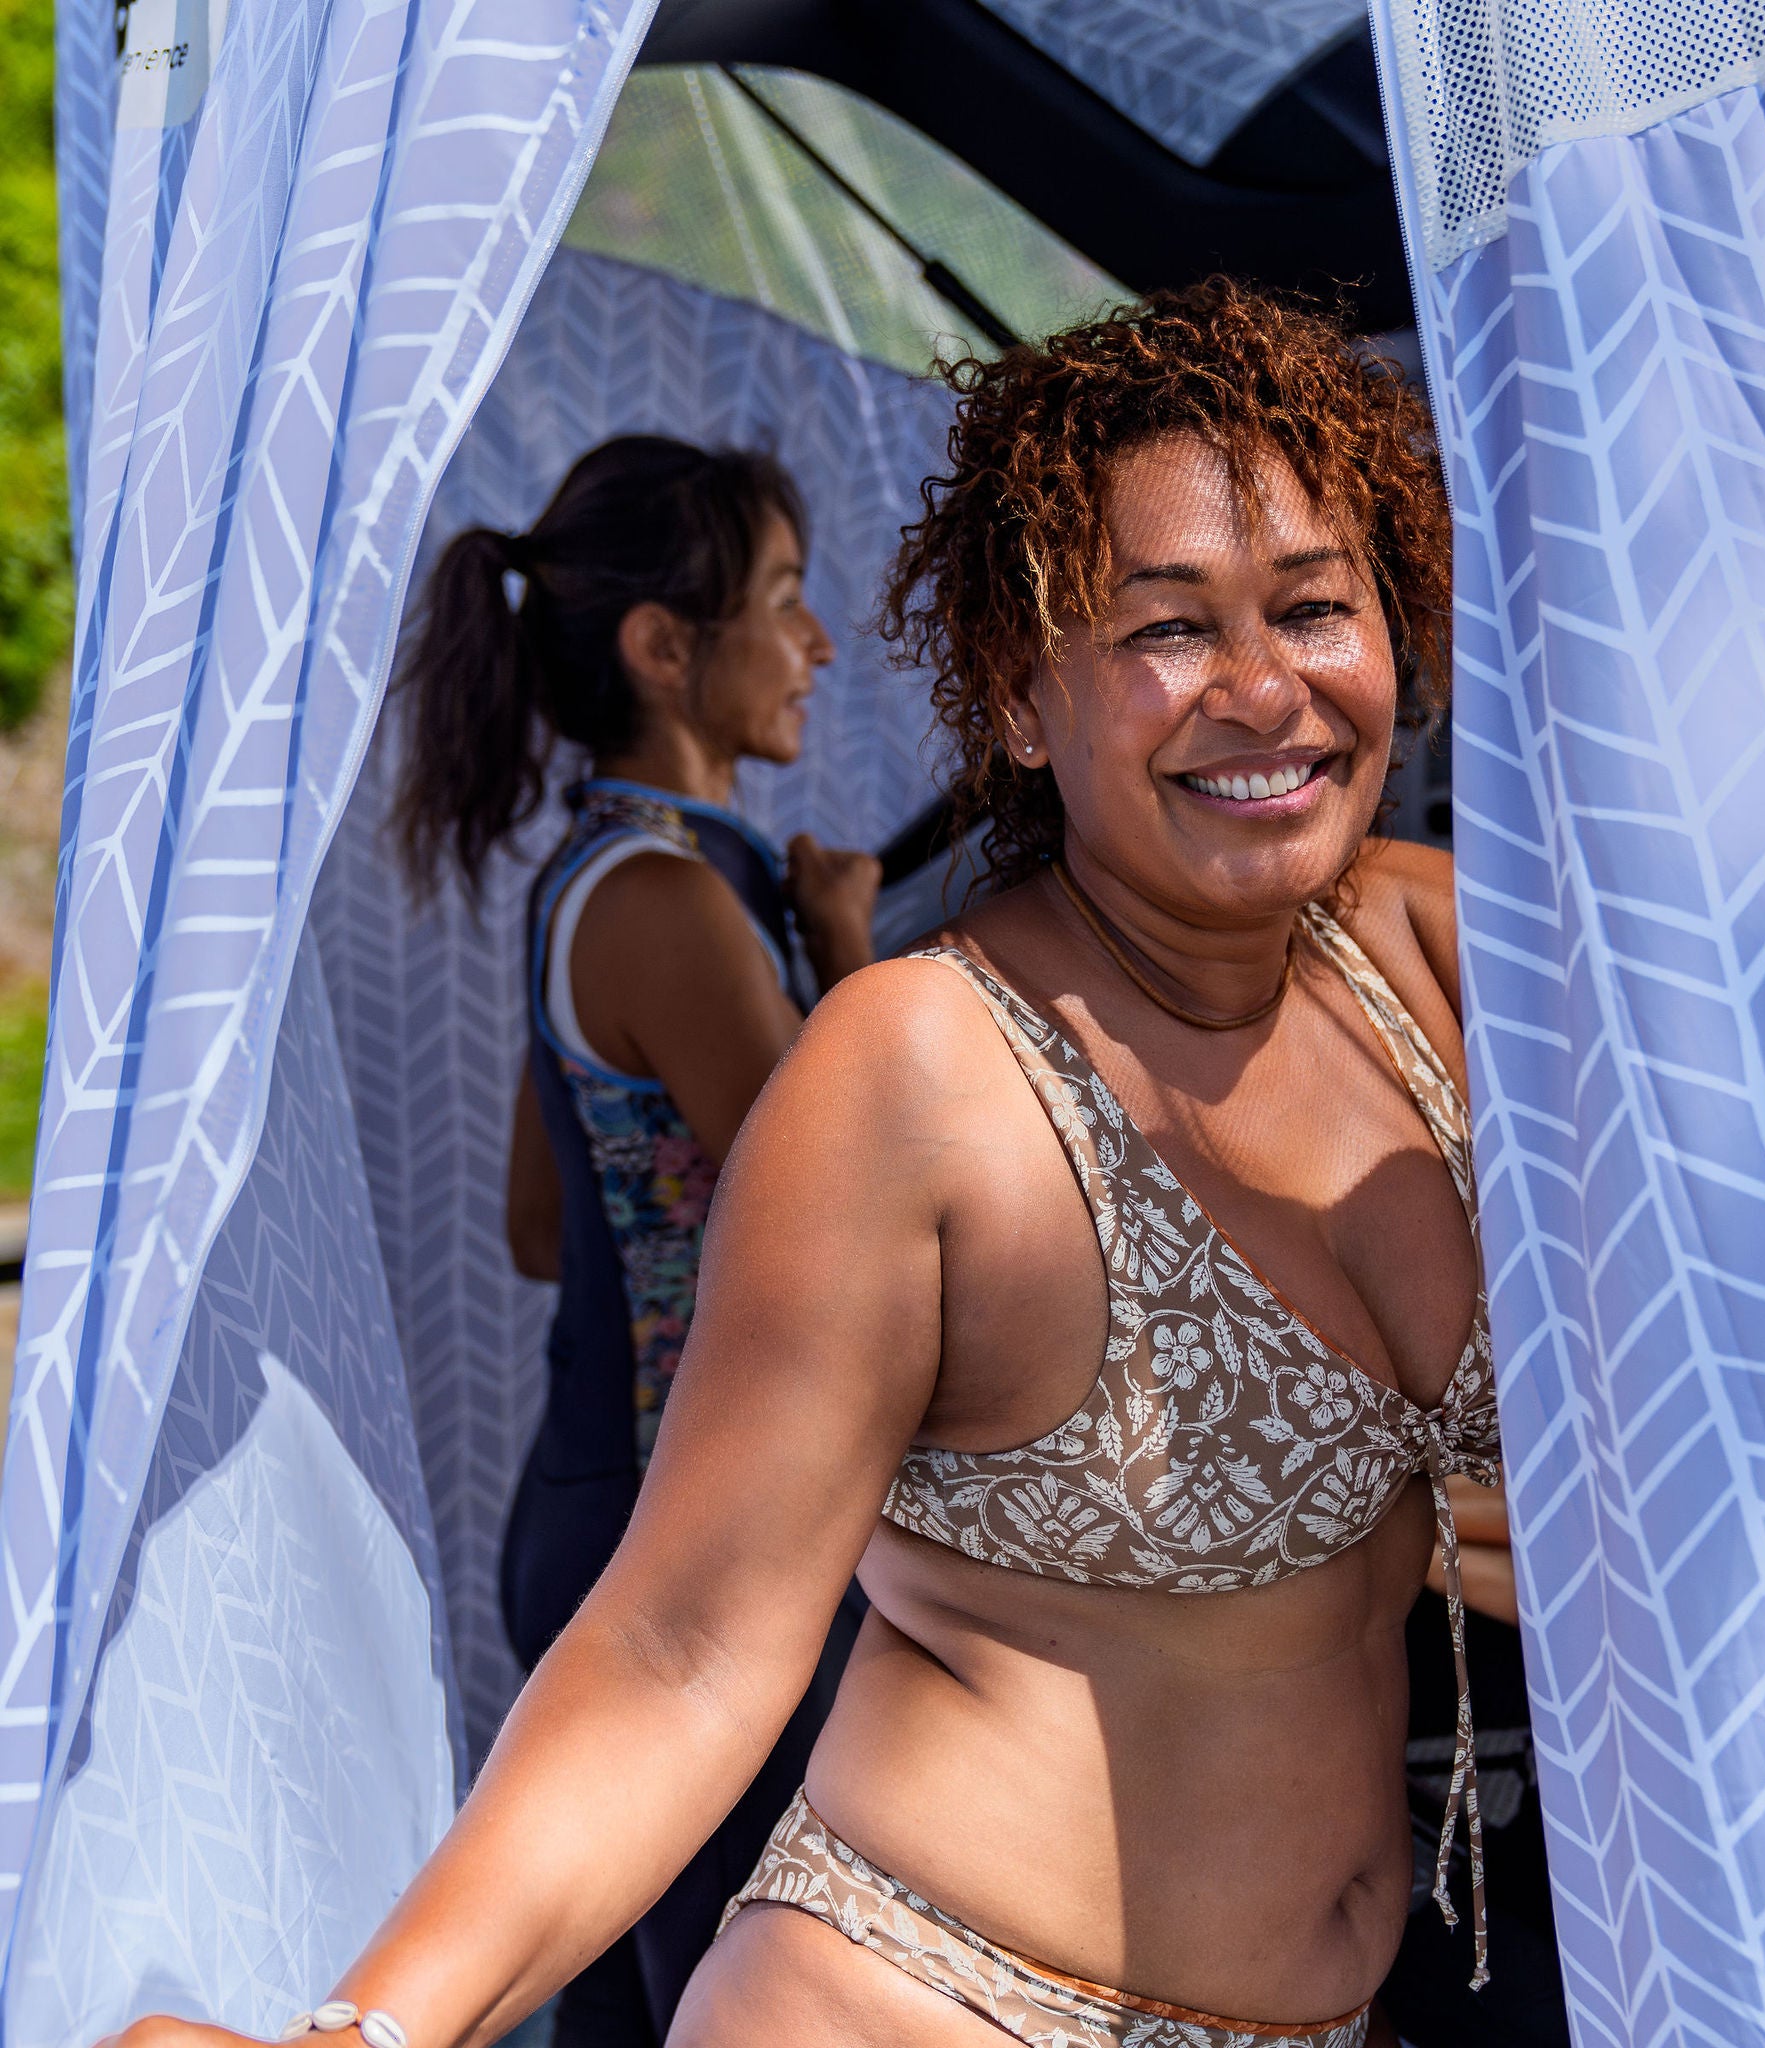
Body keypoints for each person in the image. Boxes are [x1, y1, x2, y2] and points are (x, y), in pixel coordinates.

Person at [115, 278, 1502, 2048]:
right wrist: (365, 2033)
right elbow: (683, 1648)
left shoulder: (1445, 967)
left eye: (1316, 606)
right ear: (1018, 694)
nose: (1259, 689)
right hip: (921, 2006)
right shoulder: (916, 1069)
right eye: (1165, 630)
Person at [391, 436, 880, 2043]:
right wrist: (851, 956)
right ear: (664, 649)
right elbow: (844, 1207)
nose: (819, 647)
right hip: (677, 1558)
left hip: (591, 1513)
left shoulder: (587, 884)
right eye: (789, 603)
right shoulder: (673, 904)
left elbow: (546, 1229)